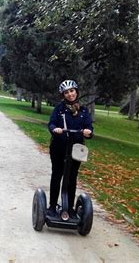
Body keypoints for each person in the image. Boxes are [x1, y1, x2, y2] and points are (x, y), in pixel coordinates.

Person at [47, 80, 93, 217]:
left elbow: (89, 127)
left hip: (76, 149)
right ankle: (52, 206)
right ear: (63, 95)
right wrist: (55, 129)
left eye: (72, 91)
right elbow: (51, 123)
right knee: (57, 175)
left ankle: (70, 208)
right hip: (59, 148)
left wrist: (88, 132)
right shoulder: (59, 109)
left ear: (76, 92)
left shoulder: (83, 111)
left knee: (72, 177)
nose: (70, 94)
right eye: (66, 92)